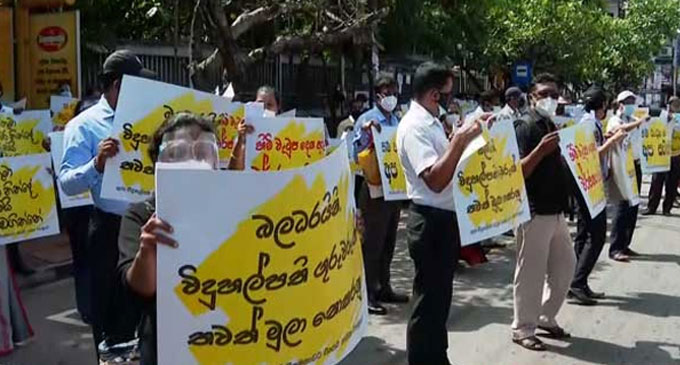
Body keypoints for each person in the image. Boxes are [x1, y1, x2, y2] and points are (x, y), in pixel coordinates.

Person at [59, 49, 155, 361]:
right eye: (135, 85)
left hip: (148, 226)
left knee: (148, 315)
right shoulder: (84, 125)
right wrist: (97, 164)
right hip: (109, 231)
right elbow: (67, 182)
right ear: (115, 86)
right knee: (110, 320)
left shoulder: (152, 120)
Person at [396, 62, 484, 365]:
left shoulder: (431, 122)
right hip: (429, 220)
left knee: (439, 298)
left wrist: (464, 138)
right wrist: (460, 140)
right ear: (434, 95)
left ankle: (436, 356)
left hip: (445, 220)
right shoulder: (414, 127)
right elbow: (434, 179)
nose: (452, 100)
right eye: (448, 94)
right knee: (427, 300)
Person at [114, 113, 218, 365]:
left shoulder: (232, 206)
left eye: (201, 152)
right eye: (179, 152)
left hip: (226, 339)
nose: (192, 160)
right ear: (159, 163)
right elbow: (139, 288)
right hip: (166, 346)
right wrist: (147, 250)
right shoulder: (141, 215)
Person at [511, 73, 576, 351]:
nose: (550, 99)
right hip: (534, 211)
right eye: (544, 94)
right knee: (531, 274)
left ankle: (545, 316)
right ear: (532, 97)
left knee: (566, 266)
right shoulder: (525, 126)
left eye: (554, 93)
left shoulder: (552, 123)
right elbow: (516, 171)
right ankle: (523, 328)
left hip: (557, 210)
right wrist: (540, 150)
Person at [352, 74, 408, 315]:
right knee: (372, 244)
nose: (391, 96)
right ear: (378, 95)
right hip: (374, 189)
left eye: (394, 91)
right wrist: (367, 135)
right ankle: (368, 293)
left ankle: (384, 286)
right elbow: (356, 155)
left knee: (388, 242)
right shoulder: (367, 120)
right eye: (387, 92)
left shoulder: (397, 119)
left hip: (394, 189)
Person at [568, 88, 626, 306]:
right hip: (588, 186)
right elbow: (590, 154)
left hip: (588, 183)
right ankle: (577, 282)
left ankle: (576, 282)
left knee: (583, 235)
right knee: (597, 235)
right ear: (600, 106)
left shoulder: (587, 122)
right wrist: (612, 142)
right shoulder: (589, 124)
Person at [607, 90, 644, 262]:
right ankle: (615, 248)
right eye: (628, 101)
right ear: (620, 104)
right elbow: (620, 130)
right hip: (621, 167)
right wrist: (640, 122)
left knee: (632, 207)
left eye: (633, 101)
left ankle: (625, 244)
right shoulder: (615, 120)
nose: (631, 104)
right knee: (622, 208)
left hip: (634, 166)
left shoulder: (633, 119)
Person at [643, 96, 680, 216]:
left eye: (676, 104)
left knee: (672, 183)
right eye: (672, 104)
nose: (674, 106)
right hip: (660, 155)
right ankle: (651, 207)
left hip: (675, 155)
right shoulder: (661, 116)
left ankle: (667, 208)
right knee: (656, 182)